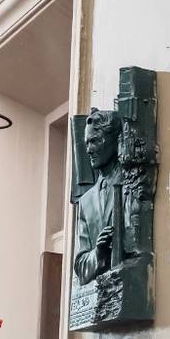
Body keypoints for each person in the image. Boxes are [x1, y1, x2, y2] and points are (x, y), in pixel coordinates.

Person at [73, 109, 125, 285]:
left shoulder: (130, 183)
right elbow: (80, 267)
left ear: (113, 139)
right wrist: (98, 253)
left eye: (94, 141)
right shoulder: (86, 201)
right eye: (87, 143)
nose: (88, 150)